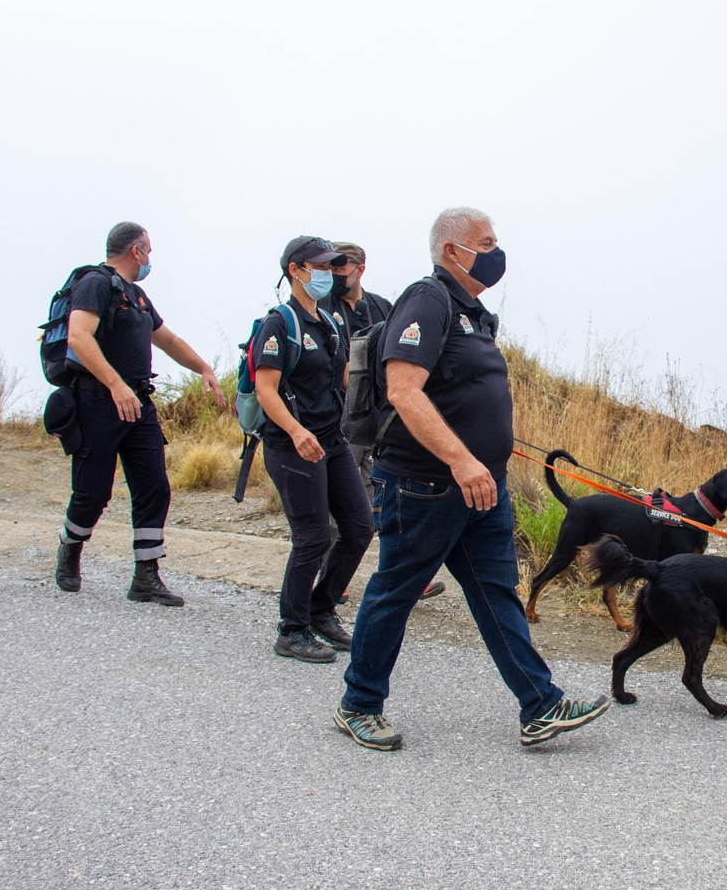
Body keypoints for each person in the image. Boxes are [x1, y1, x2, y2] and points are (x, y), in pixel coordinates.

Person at [333, 207, 609, 751]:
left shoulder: (477, 314)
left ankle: (540, 704)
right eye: (486, 241)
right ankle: (358, 705)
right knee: (397, 590)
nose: (496, 250)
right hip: (425, 485)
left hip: (483, 487)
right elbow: (403, 391)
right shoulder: (428, 299)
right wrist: (461, 459)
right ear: (453, 251)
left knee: (495, 592)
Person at [53, 221, 225, 606]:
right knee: (92, 493)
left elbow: (168, 340)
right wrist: (116, 385)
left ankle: (146, 577)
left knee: (154, 487)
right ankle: (70, 549)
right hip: (96, 402)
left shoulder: (139, 296)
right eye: (148, 250)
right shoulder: (96, 284)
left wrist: (204, 369)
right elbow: (78, 337)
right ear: (136, 251)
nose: (150, 258)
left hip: (138, 406)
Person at [255, 236, 372, 662]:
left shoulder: (329, 321)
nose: (327, 273)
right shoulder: (279, 323)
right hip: (292, 446)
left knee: (359, 529)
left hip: (332, 441)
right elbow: (265, 389)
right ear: (295, 270)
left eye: (331, 265)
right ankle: (292, 629)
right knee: (312, 538)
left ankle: (321, 611)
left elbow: (342, 377)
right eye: (319, 265)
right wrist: (296, 431)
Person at [321, 240, 444, 603]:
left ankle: (407, 577)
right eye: (328, 268)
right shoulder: (322, 309)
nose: (332, 275)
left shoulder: (383, 307)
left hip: (381, 418)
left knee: (389, 499)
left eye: (340, 267)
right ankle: (333, 579)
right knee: (341, 503)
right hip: (340, 420)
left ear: (360, 268)